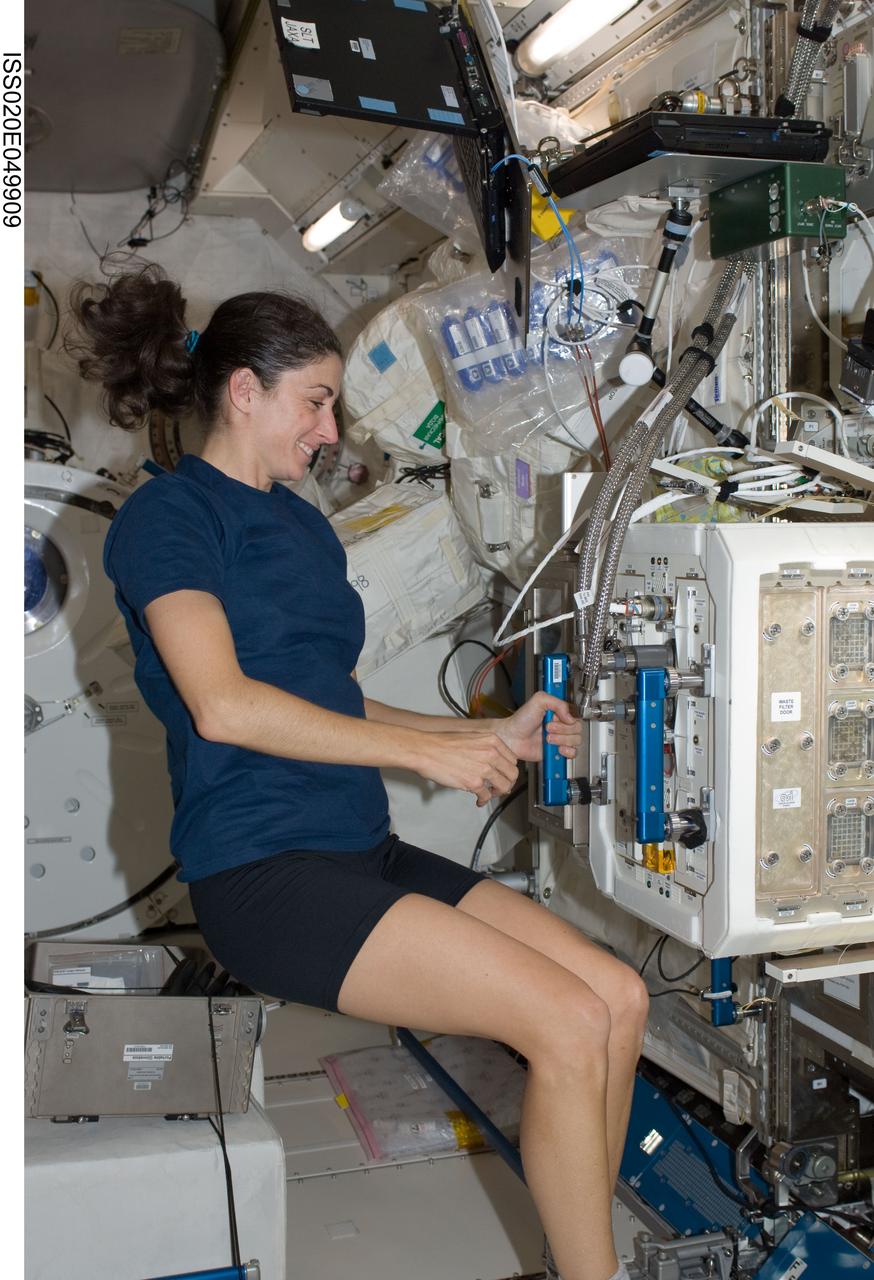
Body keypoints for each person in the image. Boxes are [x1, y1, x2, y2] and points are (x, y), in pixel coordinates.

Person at [67, 265, 646, 1280]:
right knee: (561, 1022)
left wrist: (483, 732)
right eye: (316, 401)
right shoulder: (169, 518)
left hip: (356, 846)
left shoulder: (297, 521)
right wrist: (428, 751)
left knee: (615, 997)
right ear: (243, 392)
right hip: (263, 869)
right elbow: (226, 703)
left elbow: (323, 693)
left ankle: (571, 1258)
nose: (330, 431)